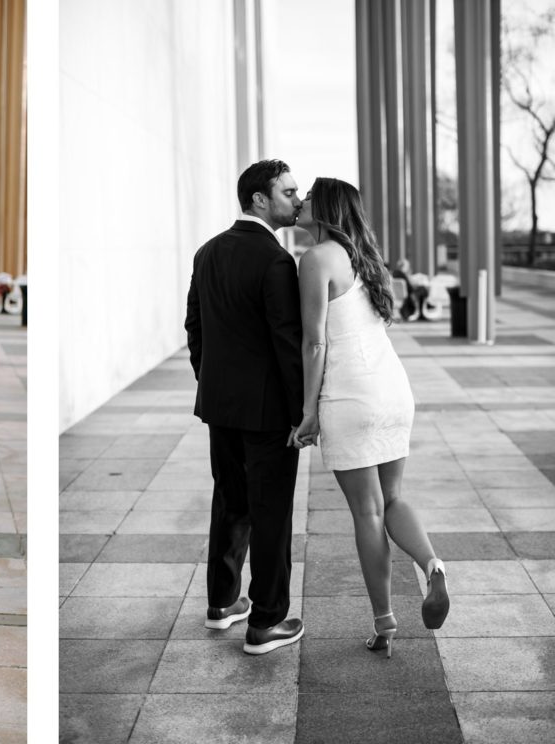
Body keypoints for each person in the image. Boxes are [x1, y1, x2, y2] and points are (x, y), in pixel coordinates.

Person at [293, 177, 449, 658]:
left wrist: (307, 410)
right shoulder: (365, 258)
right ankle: (433, 566)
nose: (299, 201)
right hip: (392, 389)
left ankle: (385, 625)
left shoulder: (316, 259)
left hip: (351, 395)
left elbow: (316, 342)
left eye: (307, 196)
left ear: (326, 208)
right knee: (394, 498)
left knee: (367, 511)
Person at [184, 159, 306, 655]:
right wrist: (302, 412)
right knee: (271, 512)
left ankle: (222, 604)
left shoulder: (208, 252)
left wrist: (210, 380)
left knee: (230, 501)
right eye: (290, 192)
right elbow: (287, 343)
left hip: (219, 405)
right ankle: (266, 622)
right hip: (269, 413)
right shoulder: (276, 262)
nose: (298, 200)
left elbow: (193, 325)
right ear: (260, 199)